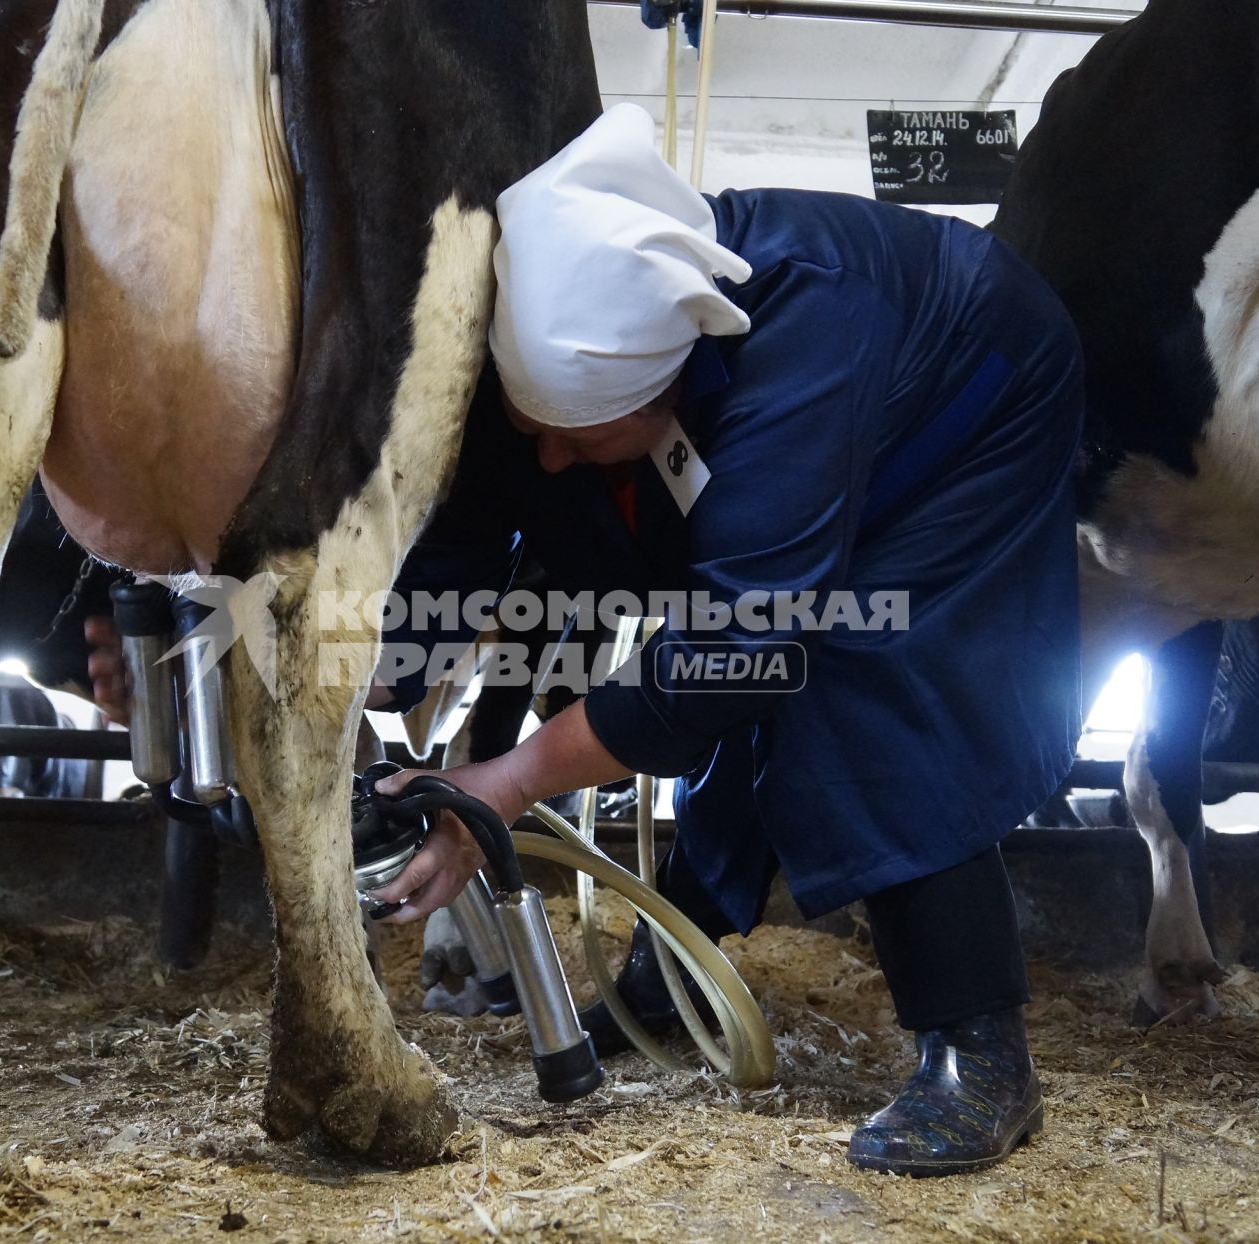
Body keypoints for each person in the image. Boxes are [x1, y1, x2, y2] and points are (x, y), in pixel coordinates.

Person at [366, 103, 1085, 1177]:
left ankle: (978, 1049)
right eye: (536, 426)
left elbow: (734, 653)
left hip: (965, 415)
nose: (552, 456)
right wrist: (371, 677)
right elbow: (480, 514)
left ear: (665, 381)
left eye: (579, 433)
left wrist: (512, 775)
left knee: (849, 663)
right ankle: (677, 965)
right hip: (775, 436)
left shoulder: (804, 345)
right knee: (677, 603)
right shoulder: (564, 344)